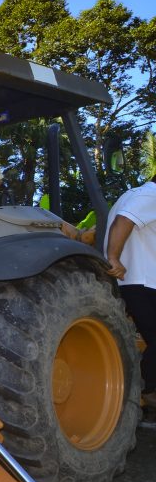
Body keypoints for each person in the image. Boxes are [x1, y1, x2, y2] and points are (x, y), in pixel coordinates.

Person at [104, 174, 156, 409]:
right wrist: (113, 258)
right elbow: (124, 220)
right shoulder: (151, 195)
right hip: (142, 281)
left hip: (135, 280)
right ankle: (146, 390)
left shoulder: (130, 195)